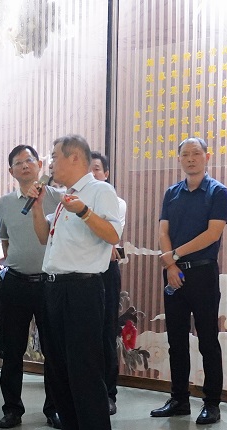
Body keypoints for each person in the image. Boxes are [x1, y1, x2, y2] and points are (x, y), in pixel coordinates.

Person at [29, 135, 121, 430]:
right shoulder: (62, 198)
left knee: (85, 370)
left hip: (83, 289)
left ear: (75, 158)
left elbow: (112, 235)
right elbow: (44, 238)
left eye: (54, 157)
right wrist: (37, 207)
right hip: (54, 287)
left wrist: (82, 210)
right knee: (58, 370)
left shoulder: (99, 191)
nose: (50, 164)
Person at [151, 137, 227, 425]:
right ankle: (179, 399)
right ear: (179, 159)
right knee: (176, 339)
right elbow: (163, 231)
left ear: (207, 157)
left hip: (203, 273)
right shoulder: (172, 193)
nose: (191, 159)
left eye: (197, 153)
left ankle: (212, 403)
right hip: (174, 273)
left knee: (208, 340)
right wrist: (171, 265)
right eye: (186, 154)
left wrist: (174, 255)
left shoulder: (218, 192)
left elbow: (213, 234)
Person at [0, 145, 60, 429]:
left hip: (49, 283)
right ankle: (12, 409)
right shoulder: (5, 204)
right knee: (12, 351)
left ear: (40, 165)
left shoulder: (58, 198)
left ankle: (54, 409)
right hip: (16, 283)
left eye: (29, 160)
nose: (24, 165)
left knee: (54, 350)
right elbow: (6, 241)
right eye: (18, 162)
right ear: (11, 171)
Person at [90, 151, 127, 415]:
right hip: (82, 272)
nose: (92, 175)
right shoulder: (72, 199)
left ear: (106, 173)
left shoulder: (116, 202)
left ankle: (108, 393)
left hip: (106, 271)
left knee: (106, 332)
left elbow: (108, 236)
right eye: (87, 170)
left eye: (96, 169)